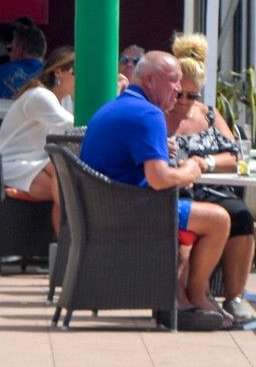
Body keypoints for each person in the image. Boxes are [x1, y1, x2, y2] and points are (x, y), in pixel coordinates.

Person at [80, 51, 233, 330]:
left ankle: (175, 297)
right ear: (150, 81)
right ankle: (197, 296)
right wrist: (189, 171)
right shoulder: (149, 114)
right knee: (218, 219)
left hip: (103, 210)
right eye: (173, 81)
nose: (179, 88)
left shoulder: (115, 107)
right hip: (134, 213)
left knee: (189, 219)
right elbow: (159, 178)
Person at [166, 32, 256, 324]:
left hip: (211, 187)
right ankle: (194, 291)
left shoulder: (208, 115)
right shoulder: (157, 114)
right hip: (177, 187)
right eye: (179, 93)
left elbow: (235, 156)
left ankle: (234, 297)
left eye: (191, 95)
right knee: (194, 221)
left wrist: (204, 162)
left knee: (241, 214)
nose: (183, 101)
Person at [0, 47, 75, 233]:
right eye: (75, 72)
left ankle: (64, 251)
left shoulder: (64, 99)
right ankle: (68, 249)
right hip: (10, 164)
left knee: (64, 178)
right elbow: (74, 126)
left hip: (35, 161)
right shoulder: (41, 96)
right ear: (58, 71)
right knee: (68, 192)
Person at [0, 22, 46, 99]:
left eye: (11, 48)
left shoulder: (1, 71)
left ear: (19, 50)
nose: (9, 53)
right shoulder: (52, 73)